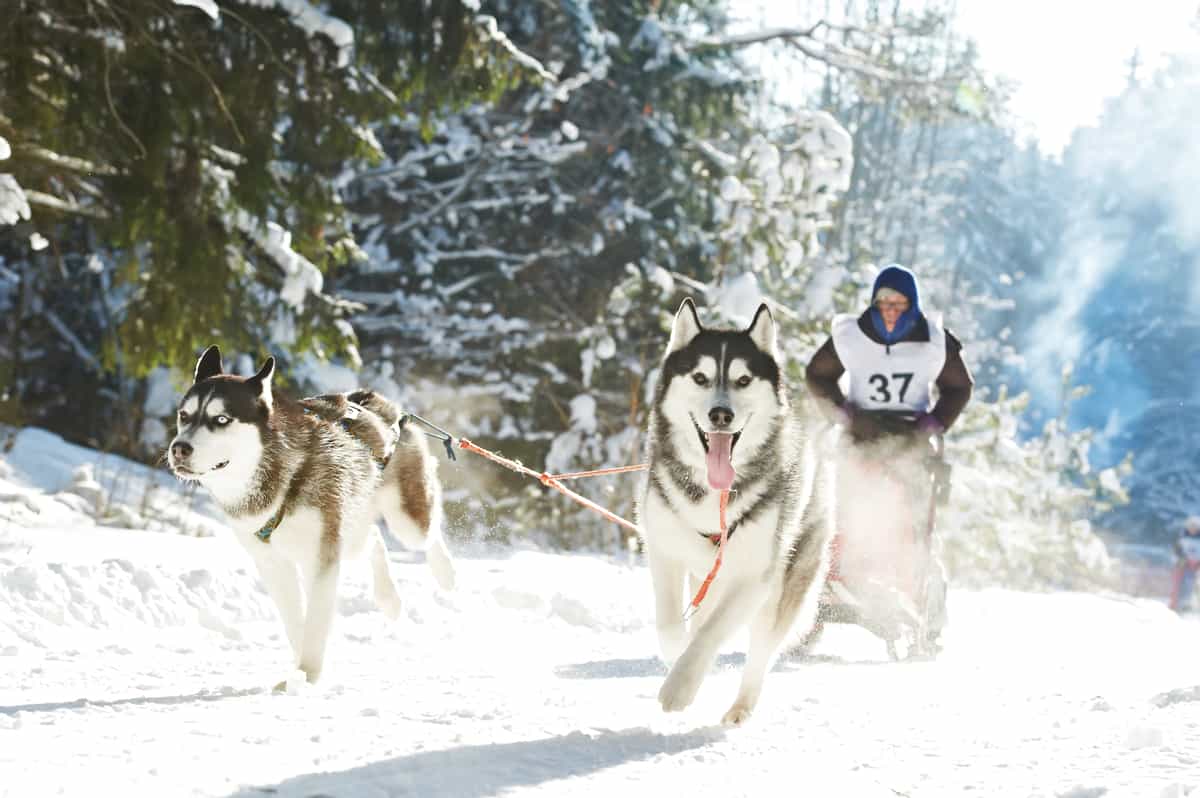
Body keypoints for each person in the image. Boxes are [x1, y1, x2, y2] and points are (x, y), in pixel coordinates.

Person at [805, 263, 974, 444]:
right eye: (885, 301)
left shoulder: (935, 340)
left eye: (900, 303)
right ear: (875, 303)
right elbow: (818, 374)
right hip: (861, 431)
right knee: (856, 466)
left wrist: (934, 421)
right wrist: (841, 411)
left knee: (912, 468)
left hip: (912, 434)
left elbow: (959, 387)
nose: (891, 311)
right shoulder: (851, 335)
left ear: (912, 305)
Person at [1169, 516, 1200, 612]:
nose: (1192, 529)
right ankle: (1176, 605)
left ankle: (1191, 604)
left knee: (1194, 585)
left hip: (1196, 567)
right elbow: (1175, 553)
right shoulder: (1181, 539)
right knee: (1178, 585)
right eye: (1191, 526)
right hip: (1182, 566)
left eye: (1195, 527)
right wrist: (1181, 560)